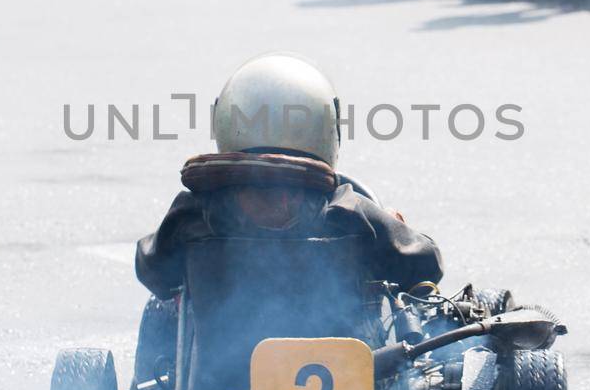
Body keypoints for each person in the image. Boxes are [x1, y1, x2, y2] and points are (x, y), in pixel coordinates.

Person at [135, 53, 443, 305]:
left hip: (217, 378)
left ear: (226, 119)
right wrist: (393, 226)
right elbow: (427, 267)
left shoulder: (195, 213)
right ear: (326, 125)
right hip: (347, 377)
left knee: (165, 307)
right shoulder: (347, 214)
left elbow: (153, 271)